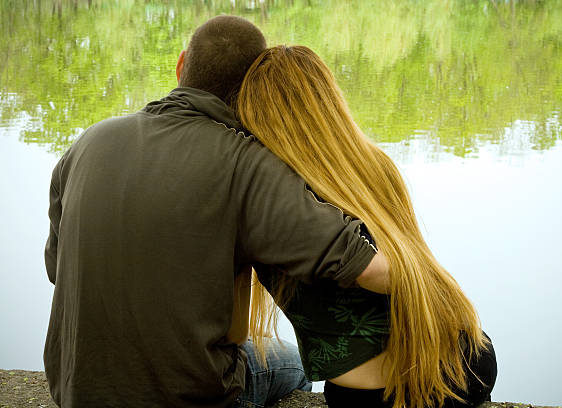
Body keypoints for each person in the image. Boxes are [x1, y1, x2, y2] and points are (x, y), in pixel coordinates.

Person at [43, 17, 389, 408]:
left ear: (181, 65)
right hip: (191, 398)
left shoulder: (87, 143)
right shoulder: (247, 163)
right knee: (291, 364)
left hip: (76, 394)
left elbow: (58, 270)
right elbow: (370, 269)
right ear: (254, 89)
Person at [236, 45, 497, 408]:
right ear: (327, 100)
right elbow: (414, 277)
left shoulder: (260, 202)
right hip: (458, 369)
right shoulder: (375, 167)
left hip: (355, 397)